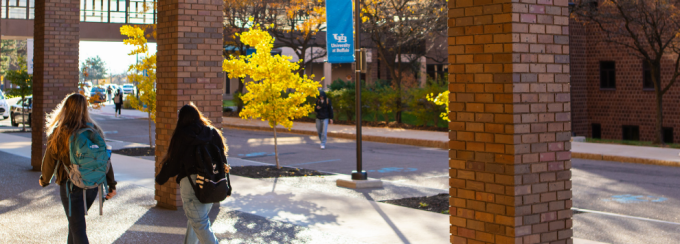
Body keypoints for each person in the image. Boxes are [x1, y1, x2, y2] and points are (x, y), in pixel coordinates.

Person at [39, 93, 117, 244]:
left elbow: (50, 160)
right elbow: (104, 159)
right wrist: (111, 184)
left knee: (77, 227)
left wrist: (44, 179)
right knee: (74, 225)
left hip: (71, 185)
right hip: (92, 185)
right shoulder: (94, 130)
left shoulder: (60, 132)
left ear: (65, 108)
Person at [155, 103, 229, 244]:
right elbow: (222, 160)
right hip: (211, 183)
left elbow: (174, 162)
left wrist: (161, 178)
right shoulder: (212, 132)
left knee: (199, 224)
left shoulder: (182, 134)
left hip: (191, 184)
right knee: (196, 222)